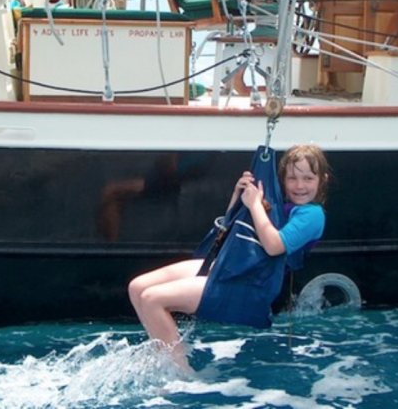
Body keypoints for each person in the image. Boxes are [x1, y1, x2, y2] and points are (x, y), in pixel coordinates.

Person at [127, 143, 330, 368]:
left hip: (251, 285)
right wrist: (238, 196)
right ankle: (165, 352)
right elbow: (232, 230)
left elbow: (273, 246)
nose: (299, 185)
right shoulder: (278, 204)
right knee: (137, 287)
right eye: (292, 178)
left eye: (308, 178)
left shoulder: (313, 215)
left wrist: (254, 205)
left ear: (322, 179)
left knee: (152, 299)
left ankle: (180, 373)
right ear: (282, 180)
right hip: (233, 267)